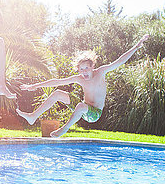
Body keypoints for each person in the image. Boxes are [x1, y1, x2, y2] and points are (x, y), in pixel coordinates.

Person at [17, 35, 150, 137]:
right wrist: (35, 85)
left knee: (81, 106)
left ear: (92, 67)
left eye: (86, 68)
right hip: (83, 107)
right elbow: (57, 81)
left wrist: (137, 46)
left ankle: (63, 130)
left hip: (94, 113)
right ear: (78, 70)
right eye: (81, 69)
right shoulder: (79, 78)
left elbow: (119, 61)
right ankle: (33, 116)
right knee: (58, 93)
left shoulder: (101, 72)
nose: (84, 72)